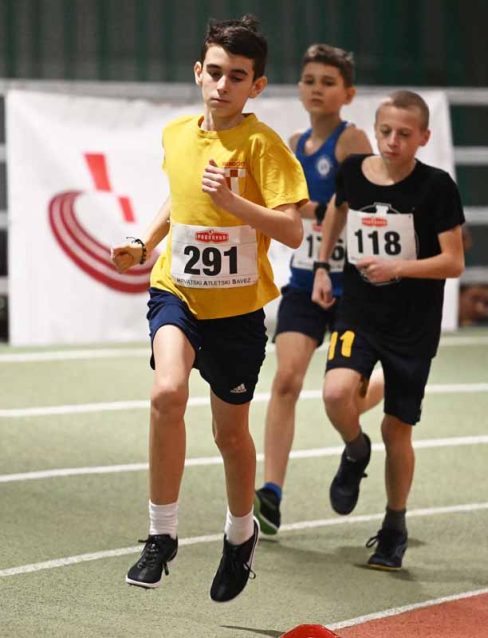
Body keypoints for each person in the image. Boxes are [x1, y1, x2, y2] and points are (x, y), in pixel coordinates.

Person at [111, 15, 308, 602]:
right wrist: (144, 243)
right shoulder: (177, 134)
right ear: (198, 72)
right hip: (177, 291)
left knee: (230, 435)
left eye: (237, 76)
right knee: (167, 393)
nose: (223, 85)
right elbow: (178, 200)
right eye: (215, 72)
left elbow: (293, 231)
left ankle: (240, 535)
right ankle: (161, 535)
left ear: (257, 85)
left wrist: (234, 202)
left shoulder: (263, 146)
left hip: (238, 312)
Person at [312, 90, 465, 570]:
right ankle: (355, 450)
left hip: (413, 323)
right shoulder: (353, 171)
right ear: (374, 129)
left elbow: (454, 262)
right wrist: (322, 266)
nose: (393, 141)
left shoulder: (437, 187)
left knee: (397, 428)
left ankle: (394, 525)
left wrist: (398, 267)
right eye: (385, 131)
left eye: (404, 134)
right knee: (336, 392)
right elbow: (337, 210)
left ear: (424, 137)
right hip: (359, 311)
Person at [253, 44, 383, 536]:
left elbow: (359, 205)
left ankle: (356, 442)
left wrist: (314, 211)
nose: (316, 89)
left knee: (344, 393)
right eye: (309, 80)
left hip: (352, 285)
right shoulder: (294, 142)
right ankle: (271, 492)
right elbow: (287, 206)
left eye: (328, 82)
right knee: (286, 381)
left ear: (347, 94)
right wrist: (309, 210)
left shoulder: (353, 141)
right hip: (305, 280)